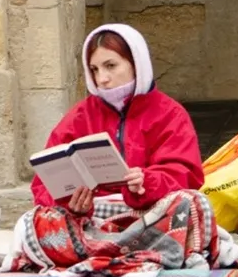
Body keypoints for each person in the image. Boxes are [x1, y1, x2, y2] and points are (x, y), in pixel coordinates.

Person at [31, 23, 205, 213]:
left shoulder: (170, 114)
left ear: (136, 63)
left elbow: (186, 174)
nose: (102, 79)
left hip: (153, 211)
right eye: (94, 69)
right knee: (31, 222)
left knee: (195, 205)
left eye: (110, 66)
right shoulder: (79, 116)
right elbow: (43, 184)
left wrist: (147, 181)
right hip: (92, 214)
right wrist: (70, 202)